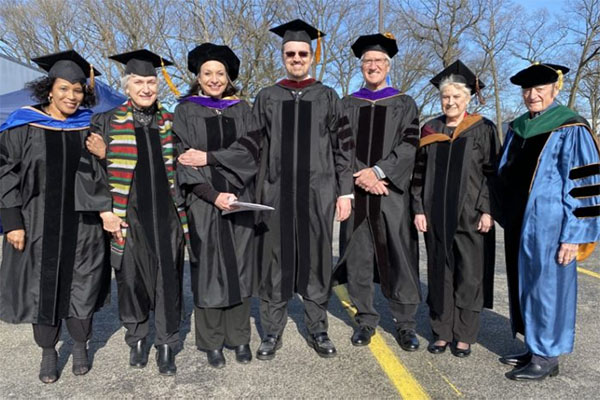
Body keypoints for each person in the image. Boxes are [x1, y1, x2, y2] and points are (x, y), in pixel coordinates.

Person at [189, 19, 355, 359]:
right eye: (290, 53)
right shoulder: (267, 97)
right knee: (274, 264)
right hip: (274, 195)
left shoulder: (328, 96)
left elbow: (344, 147)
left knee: (315, 262)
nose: (296, 58)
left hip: (316, 195)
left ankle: (318, 330)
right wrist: (212, 157)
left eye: (302, 53)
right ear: (283, 56)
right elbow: (248, 148)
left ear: (312, 56)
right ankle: (272, 332)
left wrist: (345, 191)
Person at [0, 50, 111, 383]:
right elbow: (5, 172)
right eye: (64, 88)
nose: (72, 96)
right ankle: (48, 352)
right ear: (49, 89)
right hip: (36, 223)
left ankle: (80, 345)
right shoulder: (23, 125)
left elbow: (110, 172)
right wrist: (13, 222)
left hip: (84, 225)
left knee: (82, 284)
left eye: (78, 90)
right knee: (41, 286)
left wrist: (104, 155)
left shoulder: (90, 126)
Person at [496, 62, 600, 380]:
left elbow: (586, 184)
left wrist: (575, 235)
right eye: (527, 89)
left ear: (555, 90)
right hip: (522, 224)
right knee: (527, 286)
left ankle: (548, 356)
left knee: (549, 288)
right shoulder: (519, 128)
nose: (532, 95)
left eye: (539, 89)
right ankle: (534, 347)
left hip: (553, 225)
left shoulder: (571, 127)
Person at [90, 50, 187, 376]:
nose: (146, 88)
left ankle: (166, 343)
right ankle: (138, 338)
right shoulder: (108, 122)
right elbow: (91, 173)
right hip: (127, 217)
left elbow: (183, 168)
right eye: (138, 82)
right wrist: (105, 211)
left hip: (167, 217)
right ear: (127, 86)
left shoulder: (169, 123)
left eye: (150, 82)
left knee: (168, 281)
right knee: (130, 281)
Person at [333, 33, 422, 351]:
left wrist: (379, 172)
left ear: (388, 65)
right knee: (357, 258)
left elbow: (410, 145)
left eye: (378, 61)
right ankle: (366, 320)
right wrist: (361, 177)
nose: (373, 66)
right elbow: (341, 147)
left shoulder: (404, 103)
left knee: (399, 256)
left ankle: (405, 324)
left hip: (390, 194)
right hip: (358, 194)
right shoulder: (346, 104)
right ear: (361, 66)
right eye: (367, 61)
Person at [174, 43, 256, 369]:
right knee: (208, 270)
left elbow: (252, 152)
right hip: (204, 203)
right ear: (198, 76)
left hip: (240, 200)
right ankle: (211, 342)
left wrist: (212, 159)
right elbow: (181, 158)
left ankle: (239, 338)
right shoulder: (185, 111)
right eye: (207, 73)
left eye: (220, 73)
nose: (214, 78)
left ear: (229, 76)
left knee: (240, 267)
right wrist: (212, 194)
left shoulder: (243, 110)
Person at [411, 60, 499, 358]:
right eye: (446, 97)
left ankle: (464, 334)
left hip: (471, 216)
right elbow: (418, 175)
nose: (450, 102)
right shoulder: (430, 129)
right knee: (439, 272)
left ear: (468, 98)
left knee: (469, 275)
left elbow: (491, 172)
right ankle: (441, 331)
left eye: (456, 97)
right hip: (435, 215)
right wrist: (418, 209)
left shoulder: (482, 129)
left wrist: (488, 210)